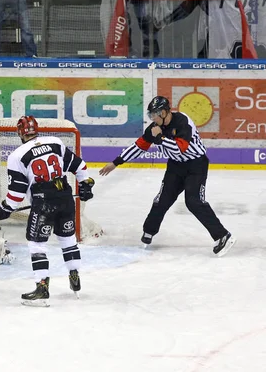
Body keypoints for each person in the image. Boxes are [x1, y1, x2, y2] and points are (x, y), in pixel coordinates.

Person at [99, 96, 235, 256]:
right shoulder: (154, 128)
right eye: (150, 116)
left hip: (196, 166)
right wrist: (116, 162)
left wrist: (160, 137)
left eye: (154, 115)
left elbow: (180, 148)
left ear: (164, 112)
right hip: (176, 167)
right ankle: (149, 231)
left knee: (194, 202)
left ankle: (222, 235)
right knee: (161, 200)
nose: (152, 119)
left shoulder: (183, 122)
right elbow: (139, 146)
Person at [0, 115, 95, 306]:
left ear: (20, 133)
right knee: (68, 240)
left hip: (43, 205)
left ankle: (42, 287)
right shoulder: (55, 143)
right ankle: (74, 276)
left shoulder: (17, 155)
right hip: (65, 199)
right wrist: (85, 185)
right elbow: (80, 166)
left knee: (37, 245)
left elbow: (16, 193)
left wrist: (5, 209)